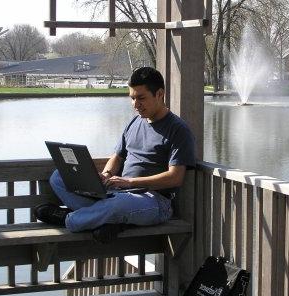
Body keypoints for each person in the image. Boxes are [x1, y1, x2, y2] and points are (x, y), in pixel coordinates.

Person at [34, 67, 195, 241]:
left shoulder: (178, 129)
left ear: (159, 94)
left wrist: (129, 182)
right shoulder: (134, 123)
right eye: (132, 98)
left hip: (153, 201)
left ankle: (68, 219)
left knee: (117, 205)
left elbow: (175, 177)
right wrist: (106, 175)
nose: (135, 104)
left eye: (141, 98)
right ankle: (107, 221)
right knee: (58, 177)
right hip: (118, 193)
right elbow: (117, 157)